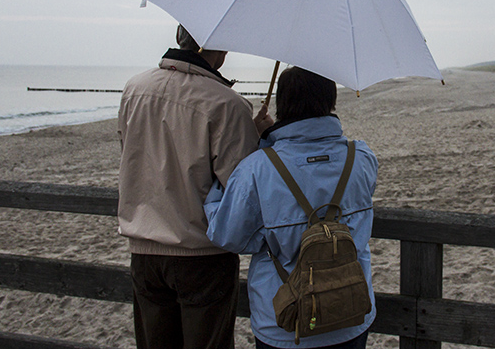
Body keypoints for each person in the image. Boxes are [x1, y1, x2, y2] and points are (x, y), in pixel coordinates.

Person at [117, 24, 273, 349]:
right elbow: (239, 185)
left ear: (179, 38)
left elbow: (131, 153)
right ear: (218, 48)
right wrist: (254, 137)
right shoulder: (227, 104)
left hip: (143, 246)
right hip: (201, 252)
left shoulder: (135, 89)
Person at [204, 67, 378, 349]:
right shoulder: (362, 157)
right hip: (351, 312)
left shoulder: (257, 168)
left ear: (282, 103)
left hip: (284, 323)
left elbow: (229, 235)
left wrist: (214, 199)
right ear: (330, 99)